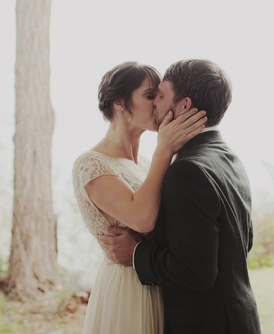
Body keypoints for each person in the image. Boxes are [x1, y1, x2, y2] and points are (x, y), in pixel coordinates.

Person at [98, 59, 262, 334]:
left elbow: (195, 272)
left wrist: (136, 253)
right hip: (238, 316)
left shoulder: (186, 170)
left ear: (184, 105)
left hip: (206, 324)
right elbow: (244, 242)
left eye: (160, 96)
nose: (155, 105)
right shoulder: (227, 157)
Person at [72, 61, 207, 334]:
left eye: (159, 96)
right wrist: (164, 150)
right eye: (149, 96)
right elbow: (143, 219)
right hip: (127, 291)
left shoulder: (147, 163)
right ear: (121, 102)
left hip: (160, 284)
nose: (158, 103)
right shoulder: (90, 164)